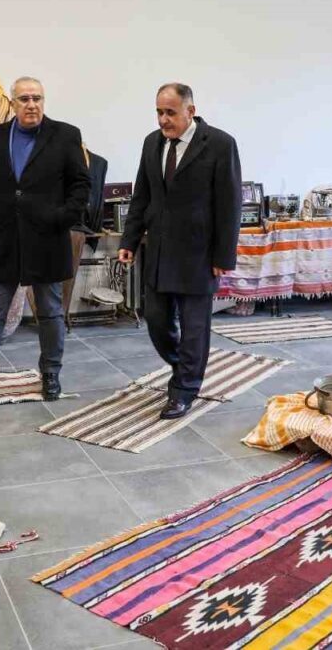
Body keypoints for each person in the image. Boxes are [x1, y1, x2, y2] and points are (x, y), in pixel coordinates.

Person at [0, 77, 90, 402]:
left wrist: (62, 218)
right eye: (24, 99)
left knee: (50, 312)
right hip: (6, 239)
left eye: (37, 98)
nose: (32, 104)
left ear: (44, 101)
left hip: (48, 240)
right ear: (12, 103)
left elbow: (81, 185)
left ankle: (50, 375)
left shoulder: (65, 135)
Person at [118, 83, 242, 420]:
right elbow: (142, 195)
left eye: (170, 112)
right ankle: (184, 366)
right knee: (157, 322)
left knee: (194, 328)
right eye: (159, 112)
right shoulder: (152, 142)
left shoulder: (220, 144)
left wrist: (223, 256)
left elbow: (230, 204)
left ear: (191, 110)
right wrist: (129, 241)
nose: (163, 119)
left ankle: (185, 389)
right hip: (159, 252)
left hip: (200, 254)